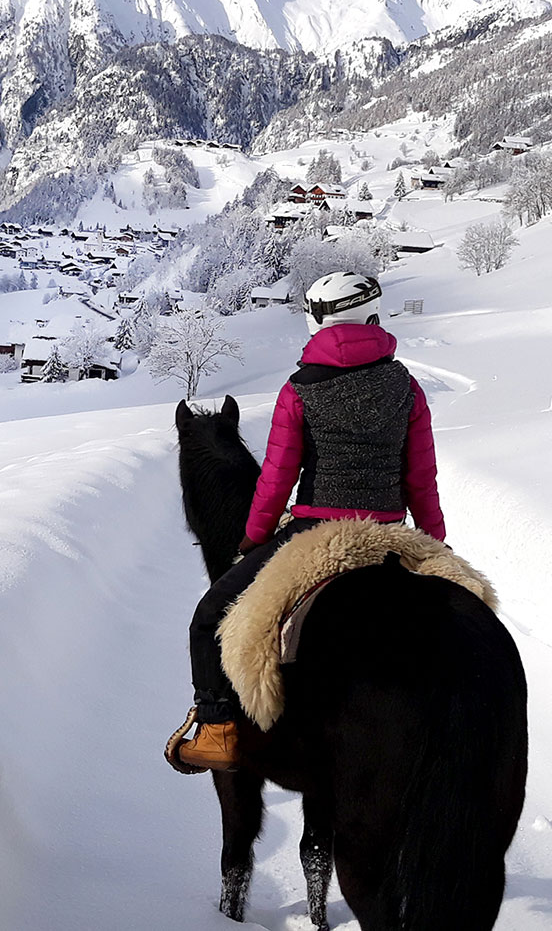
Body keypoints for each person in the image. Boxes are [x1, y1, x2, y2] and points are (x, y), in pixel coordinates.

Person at [167, 272, 447, 774]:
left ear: (317, 321)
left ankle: (217, 731)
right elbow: (421, 478)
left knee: (210, 618)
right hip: (388, 531)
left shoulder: (298, 390)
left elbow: (275, 480)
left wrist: (254, 539)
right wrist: (433, 545)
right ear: (372, 316)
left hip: (314, 531)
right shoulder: (407, 386)